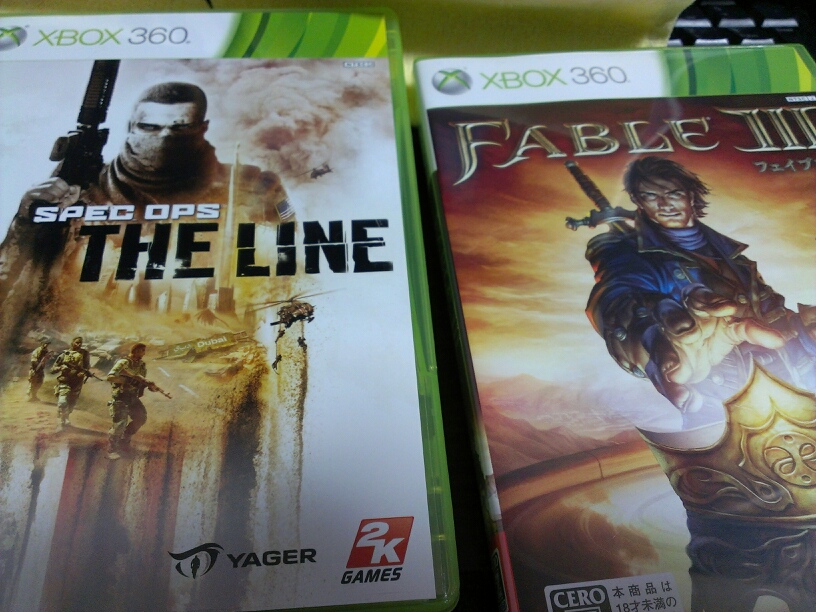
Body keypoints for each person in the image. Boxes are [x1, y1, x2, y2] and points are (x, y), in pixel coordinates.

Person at [0, 81, 294, 370]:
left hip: (214, 349)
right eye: (150, 127)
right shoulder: (79, 191)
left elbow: (292, 268)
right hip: (80, 348)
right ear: (131, 126)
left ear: (202, 127)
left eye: (179, 128)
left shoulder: (254, 187)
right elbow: (15, 278)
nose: (164, 137)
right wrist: (26, 222)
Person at [585, 156, 816, 426]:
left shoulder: (730, 254)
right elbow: (619, 297)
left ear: (691, 195)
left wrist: (804, 329)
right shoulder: (628, 255)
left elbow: (770, 311)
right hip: (721, 394)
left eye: (673, 193)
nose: (664, 204)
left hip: (789, 379)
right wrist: (656, 340)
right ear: (638, 201)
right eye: (650, 196)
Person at [106, 342, 156, 460]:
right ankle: (112, 449)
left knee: (141, 418)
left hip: (133, 397)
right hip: (121, 396)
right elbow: (110, 377)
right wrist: (127, 380)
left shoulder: (141, 365)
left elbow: (140, 381)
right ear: (136, 351)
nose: (144, 353)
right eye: (142, 351)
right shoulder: (124, 362)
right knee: (120, 424)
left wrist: (148, 386)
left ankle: (125, 438)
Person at [51, 336, 90, 429]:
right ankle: (61, 421)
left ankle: (65, 418)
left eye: (80, 343)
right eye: (77, 342)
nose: (79, 344)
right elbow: (53, 369)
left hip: (76, 382)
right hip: (65, 381)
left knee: (71, 403)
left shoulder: (84, 354)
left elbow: (86, 367)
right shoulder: (64, 354)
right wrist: (60, 368)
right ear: (72, 342)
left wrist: (83, 373)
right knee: (62, 401)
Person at [27, 336, 51, 401]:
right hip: (34, 369)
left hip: (40, 369)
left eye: (47, 344)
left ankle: (34, 396)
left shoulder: (45, 351)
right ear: (42, 343)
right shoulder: (37, 351)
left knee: (40, 382)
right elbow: (33, 361)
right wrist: (37, 367)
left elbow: (46, 358)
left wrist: (47, 357)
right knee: (32, 382)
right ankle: (29, 397)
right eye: (45, 343)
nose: (46, 345)